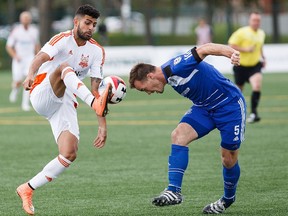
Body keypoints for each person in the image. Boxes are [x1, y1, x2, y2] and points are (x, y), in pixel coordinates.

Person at [16, 4, 111, 215]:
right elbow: (40, 58)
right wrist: (31, 73)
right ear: (76, 22)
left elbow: (97, 91)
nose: (90, 28)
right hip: (42, 92)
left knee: (69, 153)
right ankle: (83, 99)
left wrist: (102, 126)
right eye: (87, 23)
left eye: (94, 24)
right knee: (64, 68)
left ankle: (27, 188)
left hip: (65, 100)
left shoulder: (96, 51)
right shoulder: (62, 39)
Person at [129, 43, 246, 214]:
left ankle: (228, 199)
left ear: (150, 76)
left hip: (229, 106)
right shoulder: (168, 79)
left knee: (228, 158)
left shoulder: (176, 66)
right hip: (204, 108)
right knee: (178, 136)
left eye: (144, 88)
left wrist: (232, 53)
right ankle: (174, 191)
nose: (147, 92)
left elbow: (205, 48)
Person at [228, 12, 266, 123]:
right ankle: (233, 113)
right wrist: (246, 49)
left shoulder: (261, 33)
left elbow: (260, 47)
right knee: (238, 91)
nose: (256, 23)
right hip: (240, 66)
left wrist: (263, 58)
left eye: (258, 20)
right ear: (249, 21)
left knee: (257, 85)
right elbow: (231, 44)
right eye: (254, 20)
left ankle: (254, 113)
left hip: (254, 66)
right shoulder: (241, 32)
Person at [6, 11, 41, 111]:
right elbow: (9, 46)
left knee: (28, 80)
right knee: (17, 81)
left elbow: (36, 45)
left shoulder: (34, 31)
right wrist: (15, 56)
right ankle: (15, 90)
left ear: (30, 20)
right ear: (21, 20)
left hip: (29, 59)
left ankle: (25, 104)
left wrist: (38, 57)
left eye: (27, 18)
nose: (26, 20)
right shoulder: (16, 31)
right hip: (18, 60)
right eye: (24, 18)